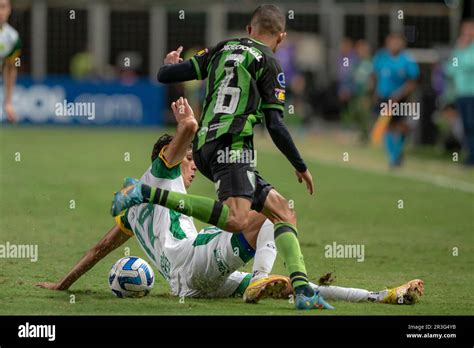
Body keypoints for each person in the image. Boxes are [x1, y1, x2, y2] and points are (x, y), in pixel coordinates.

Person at [37, 97, 425, 307]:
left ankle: (380, 296)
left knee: (293, 286)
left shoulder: (132, 215)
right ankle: (259, 279)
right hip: (193, 259)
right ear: (168, 157)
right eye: (187, 160)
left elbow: (100, 248)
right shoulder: (160, 173)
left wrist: (61, 284)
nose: (192, 167)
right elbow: (188, 129)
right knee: (272, 214)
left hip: (187, 285)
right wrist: (185, 113)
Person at [111, 4, 328, 310]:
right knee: (238, 219)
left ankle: (303, 290)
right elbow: (276, 124)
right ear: (281, 36)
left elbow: (165, 75)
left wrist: (172, 63)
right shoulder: (269, 62)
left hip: (204, 145)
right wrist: (300, 165)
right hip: (233, 145)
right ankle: (147, 192)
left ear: (250, 30)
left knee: (282, 211)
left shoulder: (221, 48)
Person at [372, 33, 420, 167]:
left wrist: (399, 94)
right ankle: (393, 157)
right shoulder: (381, 57)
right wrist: (375, 92)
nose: (393, 45)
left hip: (401, 99)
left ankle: (398, 151)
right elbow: (375, 75)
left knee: (402, 126)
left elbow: (413, 81)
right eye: (391, 42)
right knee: (387, 126)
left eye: (396, 42)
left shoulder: (407, 60)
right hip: (384, 98)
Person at [445, 19, 474, 166]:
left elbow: (470, 65)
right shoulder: (459, 49)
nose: (468, 33)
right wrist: (460, 51)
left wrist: (461, 62)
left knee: (472, 124)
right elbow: (449, 69)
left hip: (472, 94)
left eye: (471, 29)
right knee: (466, 127)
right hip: (461, 94)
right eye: (466, 29)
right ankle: (470, 156)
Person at [0, 0, 21, 123]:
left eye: (3, 7)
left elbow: (11, 68)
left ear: (9, 10)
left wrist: (8, 102)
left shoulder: (13, 38)